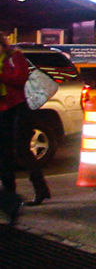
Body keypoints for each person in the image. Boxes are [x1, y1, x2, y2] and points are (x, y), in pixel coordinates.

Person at [0, 32, 51, 223]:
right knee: (3, 152)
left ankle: (40, 189)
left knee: (22, 149)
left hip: (19, 106)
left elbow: (19, 79)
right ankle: (10, 197)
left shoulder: (15, 57)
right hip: (3, 107)